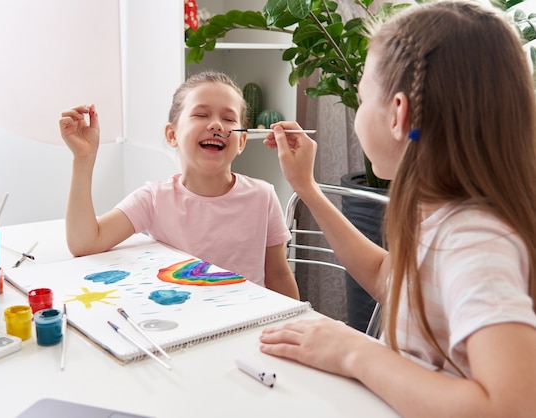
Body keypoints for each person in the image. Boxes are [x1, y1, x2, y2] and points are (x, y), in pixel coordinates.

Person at [259, 1, 536, 416]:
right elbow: (387, 278)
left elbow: (510, 404)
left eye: (362, 98)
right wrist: (308, 189)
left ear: (398, 113)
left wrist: (355, 353)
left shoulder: (474, 241)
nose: (357, 116)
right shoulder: (445, 214)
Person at [58, 71, 300, 300]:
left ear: (242, 141)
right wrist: (83, 159)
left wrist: (298, 327)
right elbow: (85, 243)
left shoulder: (263, 196)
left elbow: (278, 275)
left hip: (250, 327)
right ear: (172, 135)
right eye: (201, 115)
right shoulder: (153, 199)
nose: (216, 125)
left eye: (228, 119)